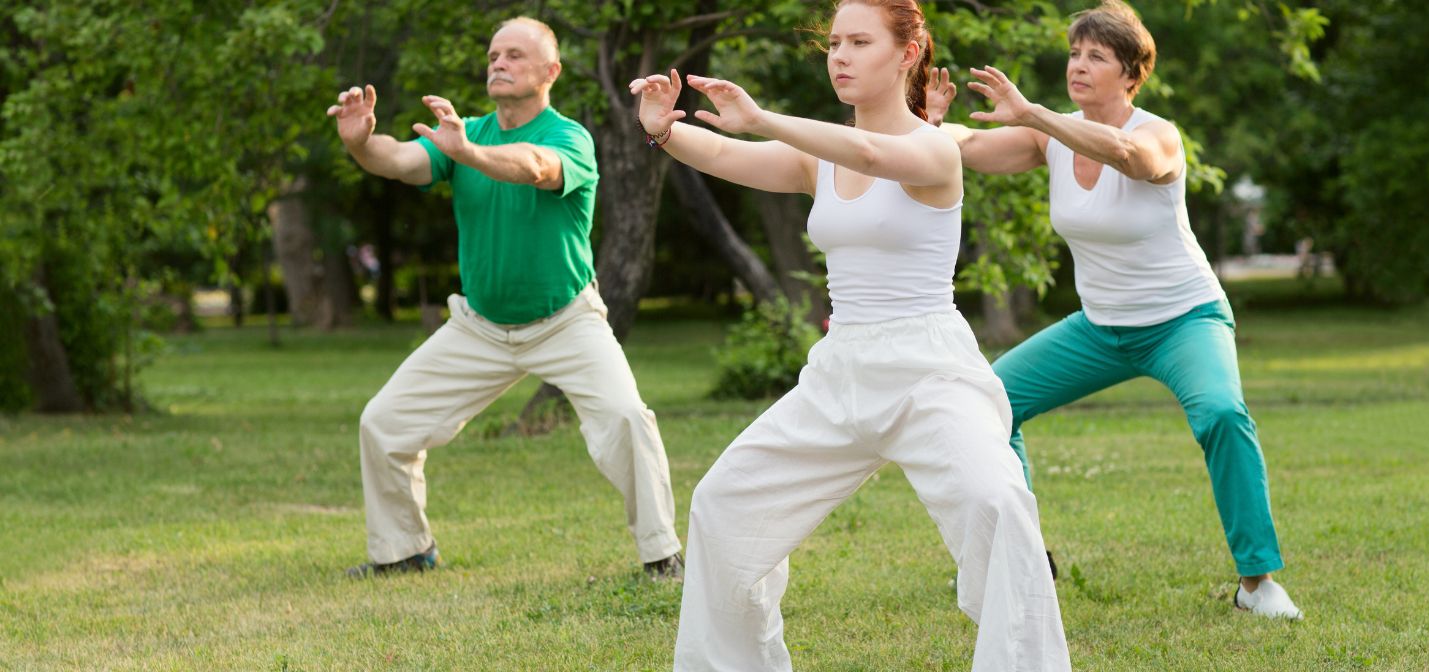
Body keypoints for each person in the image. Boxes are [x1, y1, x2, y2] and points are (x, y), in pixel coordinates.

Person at [631, 1, 1070, 669]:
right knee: (722, 506)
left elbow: (870, 149)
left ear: (906, 54)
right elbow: (726, 152)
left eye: (859, 42)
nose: (839, 55)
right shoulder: (819, 161)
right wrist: (664, 131)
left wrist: (763, 117)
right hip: (840, 374)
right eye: (834, 42)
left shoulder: (932, 146)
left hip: (929, 372)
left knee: (999, 505)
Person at [925, 0, 1301, 619]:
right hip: (1100, 329)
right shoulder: (1047, 138)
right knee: (989, 403)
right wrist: (931, 126)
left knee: (1222, 414)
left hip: (1184, 319)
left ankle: (1257, 584)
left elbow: (1132, 158)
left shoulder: (1159, 133)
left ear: (1131, 74)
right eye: (1075, 53)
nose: (1079, 64)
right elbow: (967, 146)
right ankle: (1022, 558)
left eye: (1096, 56)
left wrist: (1036, 115)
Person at [326, 17, 682, 580]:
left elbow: (534, 168)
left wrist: (466, 153)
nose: (499, 63)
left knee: (625, 419)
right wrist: (360, 143)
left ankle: (662, 553)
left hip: (566, 321)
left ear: (550, 72)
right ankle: (405, 551)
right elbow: (397, 160)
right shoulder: (460, 133)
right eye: (494, 54)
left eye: (515, 55)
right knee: (383, 422)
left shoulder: (568, 138)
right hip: (480, 327)